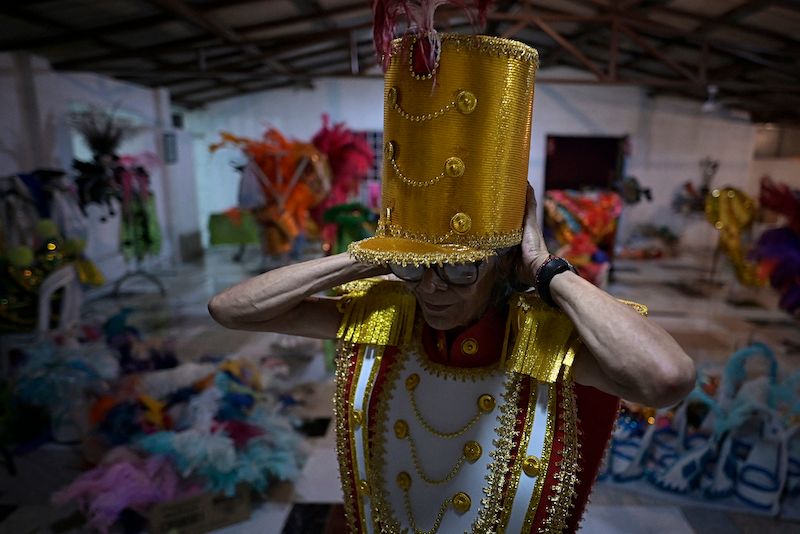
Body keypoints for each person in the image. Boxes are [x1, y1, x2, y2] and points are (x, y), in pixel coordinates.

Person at [209, 25, 695, 534]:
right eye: (417, 269)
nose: (432, 289)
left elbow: (665, 379)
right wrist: (372, 256)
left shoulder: (543, 340)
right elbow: (231, 310)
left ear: (504, 266)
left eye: (462, 270)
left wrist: (545, 267)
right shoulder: (388, 317)